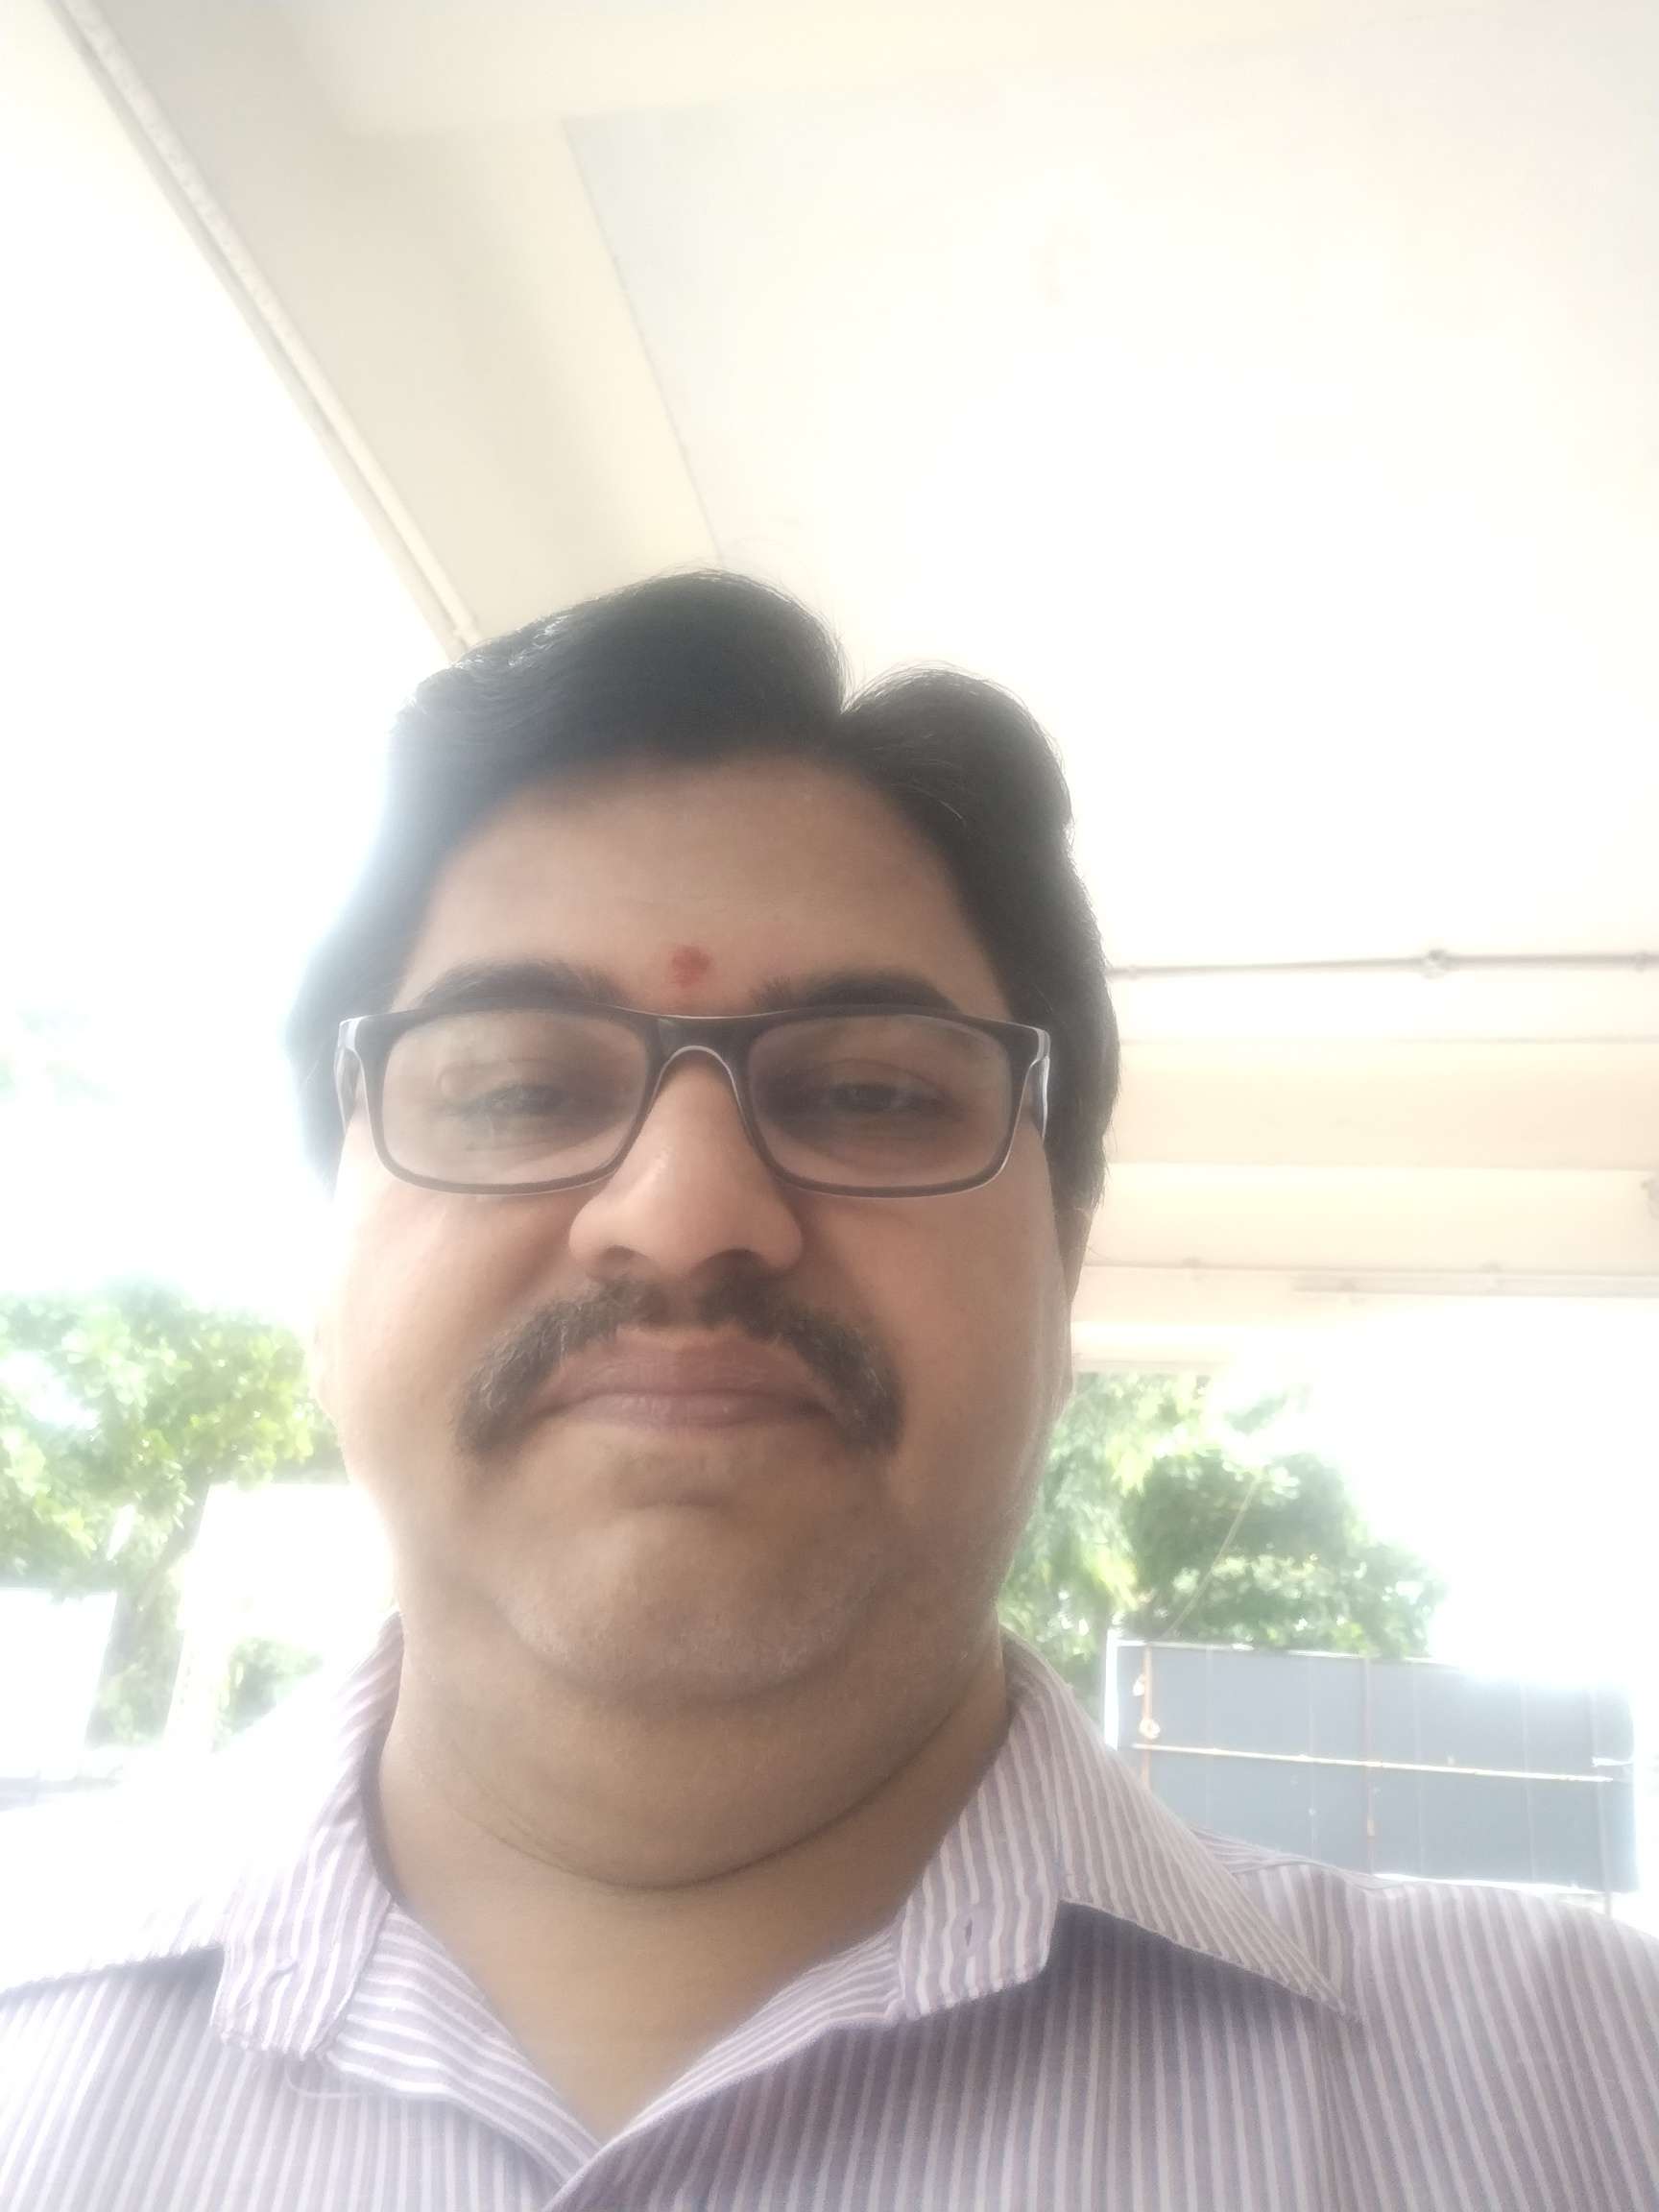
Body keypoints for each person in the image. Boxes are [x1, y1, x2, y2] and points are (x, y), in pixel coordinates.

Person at [2, 574, 1655, 2212]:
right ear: (325, 1259)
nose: (683, 1213)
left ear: (1065, 1255)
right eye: (514, 1090)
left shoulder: (1596, 2096)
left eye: (870, 1095)